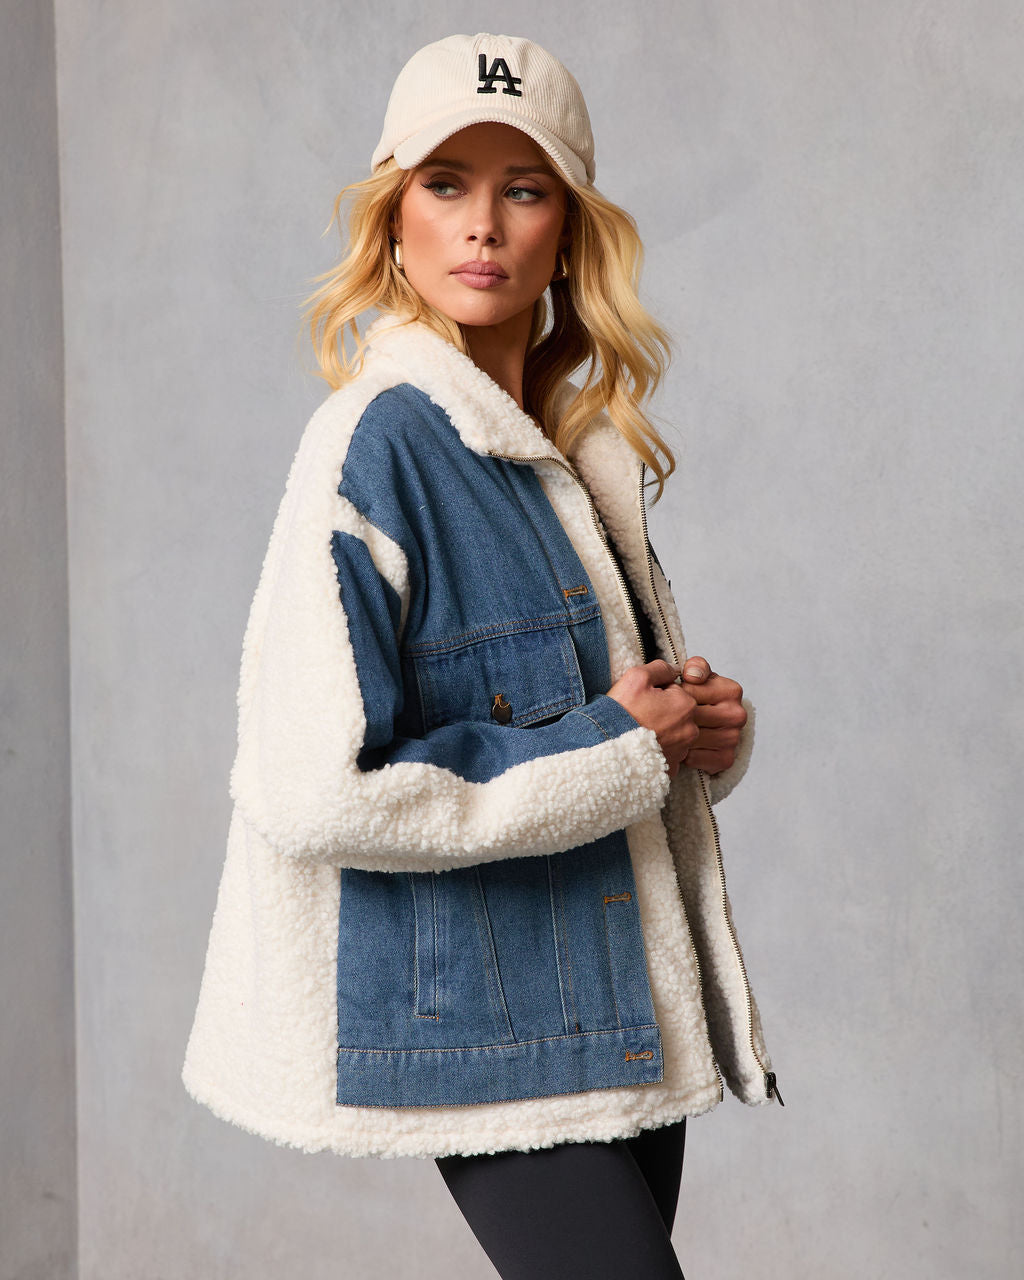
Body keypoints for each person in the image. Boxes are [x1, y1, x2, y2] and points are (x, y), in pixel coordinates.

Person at [182, 32, 779, 1279]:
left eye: (524, 188)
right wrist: (619, 742)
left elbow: (594, 728)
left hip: (615, 995)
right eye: (445, 183)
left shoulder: (573, 452)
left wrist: (690, 732)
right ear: (394, 221)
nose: (482, 225)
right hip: (493, 1022)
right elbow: (314, 784)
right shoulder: (375, 444)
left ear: (569, 231)